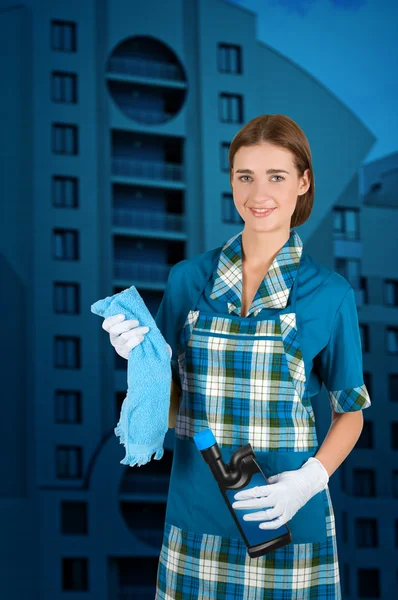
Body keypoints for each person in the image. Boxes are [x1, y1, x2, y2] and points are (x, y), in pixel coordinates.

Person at [102, 114, 371, 599]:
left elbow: (350, 412)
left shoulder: (329, 294)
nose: (258, 193)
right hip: (196, 523)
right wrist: (140, 363)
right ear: (230, 180)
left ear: (303, 182)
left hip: (287, 523)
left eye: (276, 176)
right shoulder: (188, 280)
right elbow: (170, 405)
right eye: (245, 176)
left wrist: (309, 480)